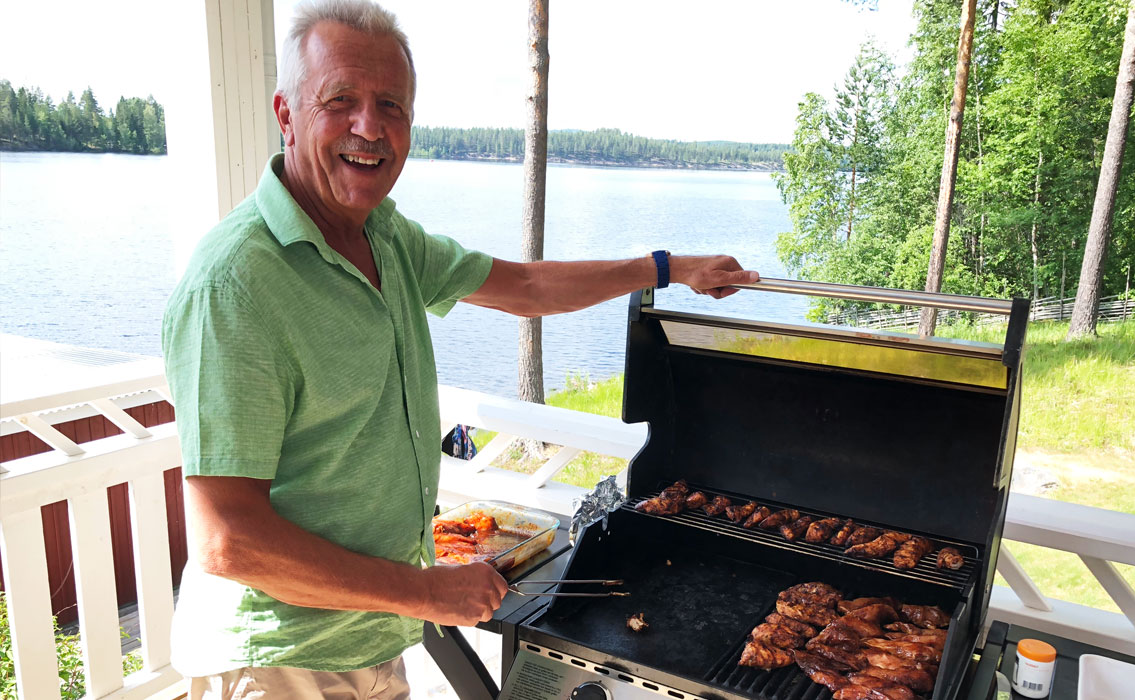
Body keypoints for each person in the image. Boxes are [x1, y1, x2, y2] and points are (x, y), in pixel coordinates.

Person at [161, 0, 760, 697]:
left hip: (371, 636)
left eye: (391, 104)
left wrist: (668, 268)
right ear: (286, 114)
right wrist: (424, 592)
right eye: (340, 100)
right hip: (278, 659)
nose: (369, 126)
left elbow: (526, 286)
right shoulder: (235, 284)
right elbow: (228, 540)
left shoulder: (385, 237)